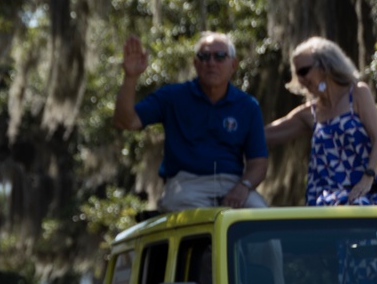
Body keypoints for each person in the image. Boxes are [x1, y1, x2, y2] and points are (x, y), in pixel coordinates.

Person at [114, 31, 269, 211]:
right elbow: (126, 122)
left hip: (232, 183)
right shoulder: (173, 97)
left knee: (262, 217)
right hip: (186, 184)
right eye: (204, 57)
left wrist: (243, 187)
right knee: (205, 220)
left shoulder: (248, 106)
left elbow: (258, 163)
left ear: (233, 64)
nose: (211, 63)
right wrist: (130, 77)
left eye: (220, 56)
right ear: (195, 64)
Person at [264, 36, 377, 206]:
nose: (301, 79)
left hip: (373, 187)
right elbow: (267, 134)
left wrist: (367, 179)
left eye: (303, 71)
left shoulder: (357, 94)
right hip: (330, 197)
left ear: (324, 66)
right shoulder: (310, 113)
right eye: (297, 74)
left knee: (365, 207)